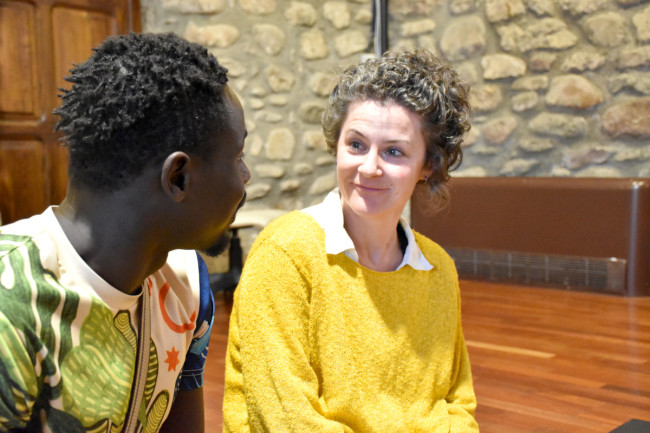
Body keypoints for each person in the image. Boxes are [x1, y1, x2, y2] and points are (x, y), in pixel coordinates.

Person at [0, 32, 250, 432]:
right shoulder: (10, 301)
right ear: (178, 177)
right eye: (238, 157)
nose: (246, 176)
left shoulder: (187, 282)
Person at [223, 49, 478, 432]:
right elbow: (287, 422)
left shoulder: (438, 268)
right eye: (356, 145)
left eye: (394, 151)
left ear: (428, 165)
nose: (369, 167)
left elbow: (457, 404)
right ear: (336, 145)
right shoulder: (285, 254)